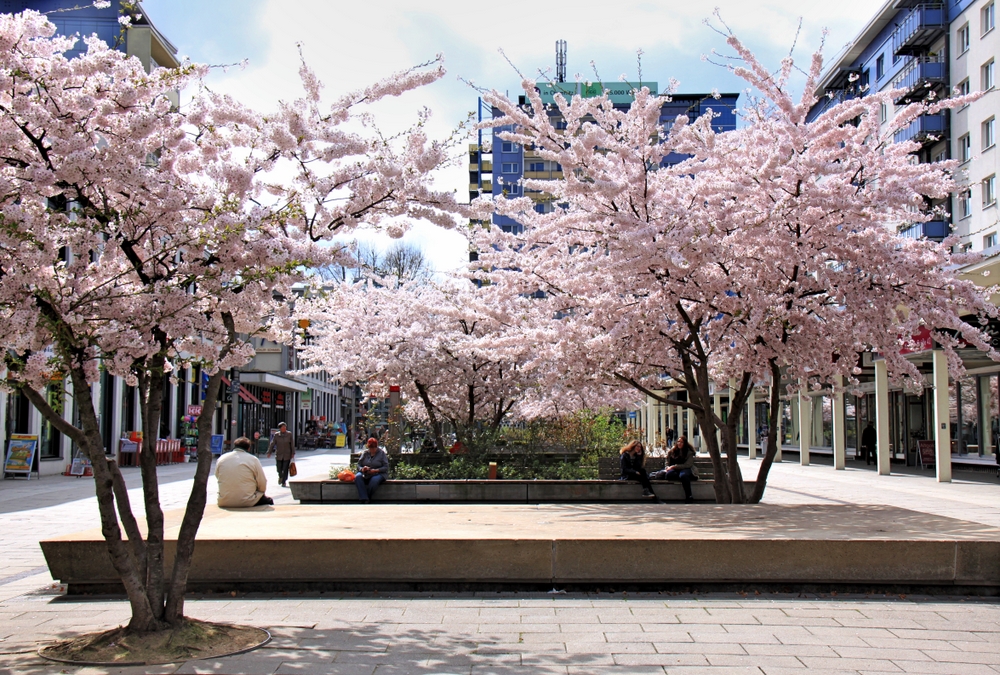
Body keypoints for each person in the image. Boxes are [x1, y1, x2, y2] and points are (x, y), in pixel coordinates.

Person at [216, 436, 272, 508]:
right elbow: (262, 481)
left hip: (224, 500)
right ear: (248, 448)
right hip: (248, 500)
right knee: (269, 501)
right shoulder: (253, 459)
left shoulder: (222, 458)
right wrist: (261, 492)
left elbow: (217, 475)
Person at [653, 436, 697, 503]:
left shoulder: (688, 452)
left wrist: (674, 467)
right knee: (669, 474)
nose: (679, 443)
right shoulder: (673, 450)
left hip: (686, 468)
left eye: (682, 442)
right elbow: (667, 460)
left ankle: (689, 496)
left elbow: (687, 465)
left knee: (683, 475)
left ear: (685, 443)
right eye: (678, 442)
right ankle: (682, 478)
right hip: (676, 470)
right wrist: (667, 467)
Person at [356, 437, 389, 503]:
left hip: (379, 473)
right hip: (366, 473)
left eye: (374, 448)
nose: (372, 450)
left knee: (374, 480)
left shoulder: (381, 453)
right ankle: (364, 497)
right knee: (358, 477)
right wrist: (362, 469)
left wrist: (376, 470)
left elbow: (386, 467)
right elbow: (358, 464)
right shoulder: (365, 453)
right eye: (370, 448)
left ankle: (367, 498)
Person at [266, 421, 295, 487]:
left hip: (287, 454)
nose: (284, 428)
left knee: (285, 469)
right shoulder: (277, 435)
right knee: (279, 468)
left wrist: (293, 452)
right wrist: (269, 452)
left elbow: (292, 444)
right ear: (280, 428)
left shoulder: (289, 434)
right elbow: (272, 444)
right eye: (283, 427)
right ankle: (280, 477)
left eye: (285, 427)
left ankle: (283, 481)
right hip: (279, 454)